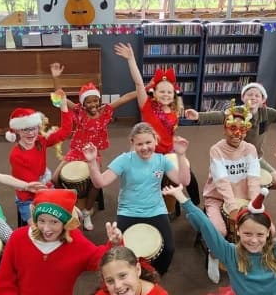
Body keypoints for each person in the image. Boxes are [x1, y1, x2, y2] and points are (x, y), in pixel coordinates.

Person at [84, 123, 190, 276]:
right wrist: (92, 162)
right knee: (120, 251)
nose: (144, 147)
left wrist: (181, 155)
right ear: (132, 143)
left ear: (156, 140)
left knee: (168, 249)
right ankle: (130, 274)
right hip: (128, 211)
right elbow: (100, 182)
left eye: (148, 142)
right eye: (139, 144)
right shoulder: (124, 160)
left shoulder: (162, 160)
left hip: (156, 210)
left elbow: (184, 181)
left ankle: (156, 274)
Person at [185, 81, 276, 191]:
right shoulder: (236, 111)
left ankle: (248, 187)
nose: (253, 97)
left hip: (255, 158)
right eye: (249, 94)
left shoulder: (267, 113)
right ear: (243, 97)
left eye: (257, 95)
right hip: (235, 159)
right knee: (224, 185)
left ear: (263, 100)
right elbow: (220, 115)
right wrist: (199, 116)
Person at [114, 42, 199, 205]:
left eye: (169, 92)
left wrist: (176, 140)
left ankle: (196, 206)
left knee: (189, 176)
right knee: (140, 180)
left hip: (168, 152)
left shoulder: (175, 110)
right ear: (154, 93)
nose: (166, 94)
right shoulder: (147, 106)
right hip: (149, 151)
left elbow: (170, 131)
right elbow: (139, 83)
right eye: (162, 91)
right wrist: (131, 59)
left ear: (174, 94)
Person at [51, 77, 138, 231]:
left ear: (99, 100)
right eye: (88, 102)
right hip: (76, 150)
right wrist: (56, 77)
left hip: (92, 153)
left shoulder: (105, 111)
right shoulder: (78, 111)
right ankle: (70, 205)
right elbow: (60, 97)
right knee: (55, 179)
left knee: (97, 182)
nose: (93, 104)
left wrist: (146, 87)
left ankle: (87, 211)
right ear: (83, 104)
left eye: (95, 100)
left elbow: (125, 98)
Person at [199, 101, 262, 284]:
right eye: (233, 128)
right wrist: (233, 207)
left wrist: (254, 204)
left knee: (267, 229)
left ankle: (254, 261)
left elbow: (254, 179)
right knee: (219, 230)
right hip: (217, 198)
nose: (237, 134)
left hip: (243, 198)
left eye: (242, 129)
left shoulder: (250, 149)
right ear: (224, 128)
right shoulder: (216, 150)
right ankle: (213, 255)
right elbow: (222, 182)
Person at [6, 66, 74, 224]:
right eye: (25, 129)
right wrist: (53, 197)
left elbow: (65, 132)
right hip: (28, 197)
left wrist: (64, 107)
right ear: (17, 131)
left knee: (64, 219)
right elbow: (32, 186)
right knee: (40, 228)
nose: (31, 133)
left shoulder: (40, 141)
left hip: (44, 187)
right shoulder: (16, 155)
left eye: (34, 128)